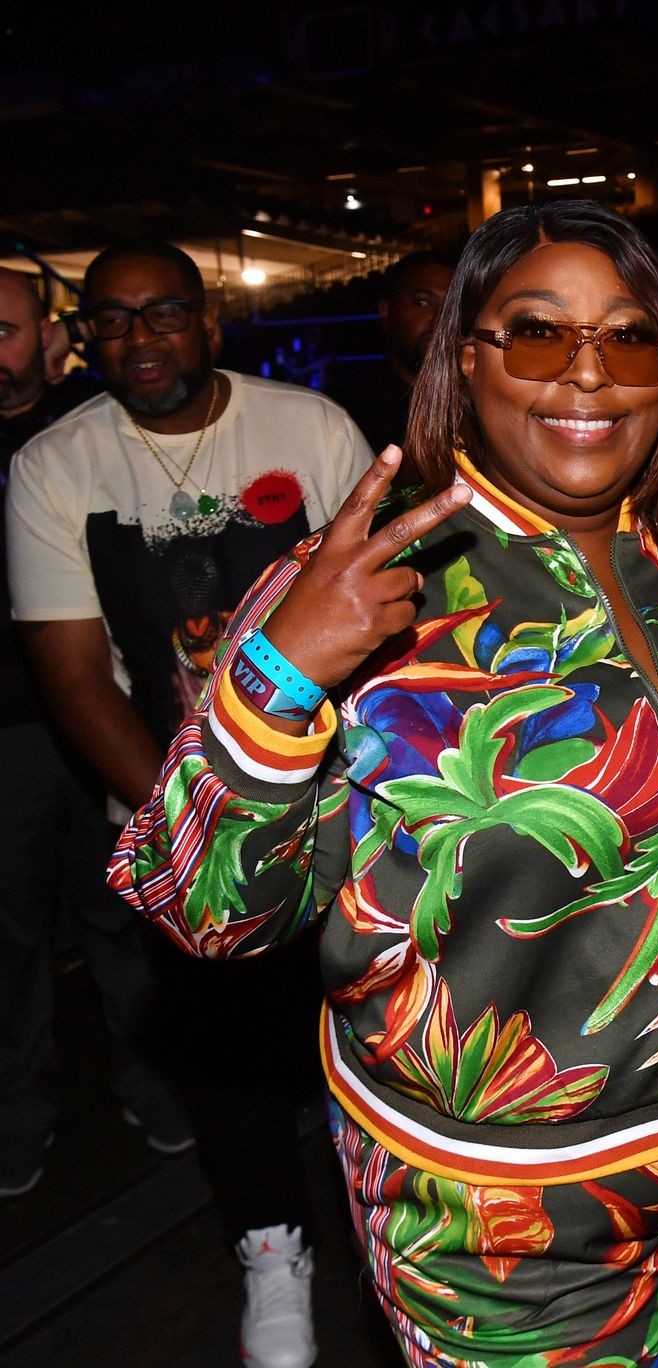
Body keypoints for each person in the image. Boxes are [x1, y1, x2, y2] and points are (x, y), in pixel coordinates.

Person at [111, 200, 658, 1368]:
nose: (589, 374)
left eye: (629, 337)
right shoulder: (362, 588)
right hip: (500, 1220)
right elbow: (199, 908)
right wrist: (278, 676)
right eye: (540, 334)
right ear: (466, 359)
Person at [7, 240, 372, 1365]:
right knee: (222, 1044)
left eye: (162, 312)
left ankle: (392, 1230)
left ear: (209, 323)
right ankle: (272, 1248)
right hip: (173, 807)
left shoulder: (309, 428)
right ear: (85, 339)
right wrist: (202, 821)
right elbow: (76, 679)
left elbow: (384, 611)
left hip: (341, 798)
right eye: (112, 321)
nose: (139, 339)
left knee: (368, 1025)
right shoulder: (55, 465)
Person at [0, 266, 184, 1200]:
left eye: (5, 331)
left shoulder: (99, 429)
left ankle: (151, 1083)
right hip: (5, 732)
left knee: (123, 912)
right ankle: (17, 1113)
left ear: (49, 336)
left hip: (102, 711)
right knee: (9, 934)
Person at [325, 250, 457, 453]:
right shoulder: (346, 418)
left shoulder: (480, 407)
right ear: (386, 311)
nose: (441, 319)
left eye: (453, 306)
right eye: (422, 302)